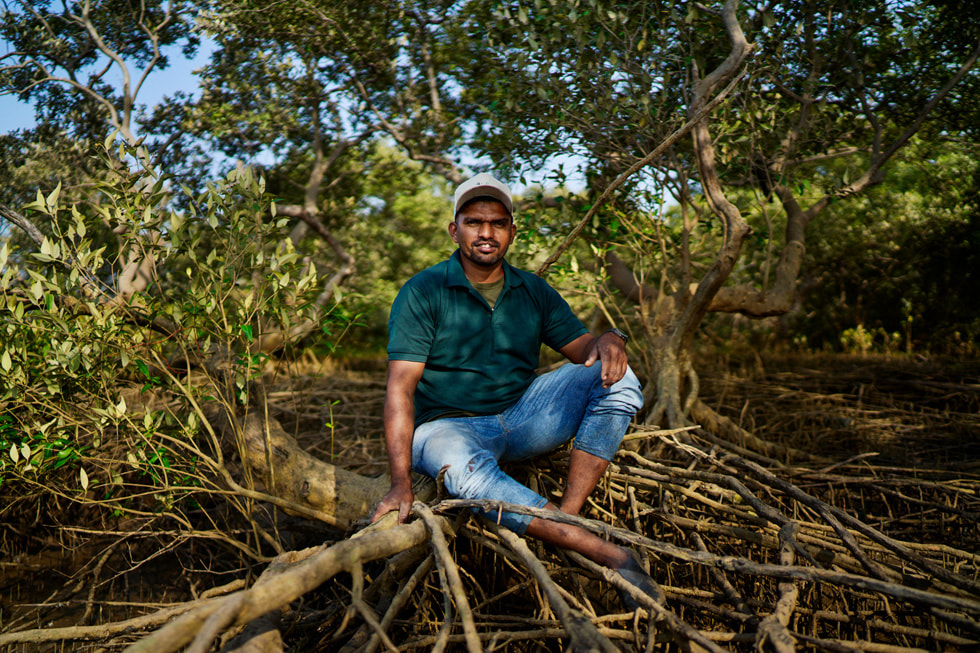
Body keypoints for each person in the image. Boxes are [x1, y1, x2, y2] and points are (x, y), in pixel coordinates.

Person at [370, 173, 659, 606]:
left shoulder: (532, 290)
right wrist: (399, 482)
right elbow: (399, 390)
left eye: (497, 223)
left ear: (511, 232)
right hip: (448, 429)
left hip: (523, 419)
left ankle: (567, 517)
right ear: (455, 230)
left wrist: (611, 337)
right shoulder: (423, 291)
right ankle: (612, 556)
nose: (486, 232)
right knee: (458, 466)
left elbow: (585, 351)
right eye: (473, 222)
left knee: (621, 377)